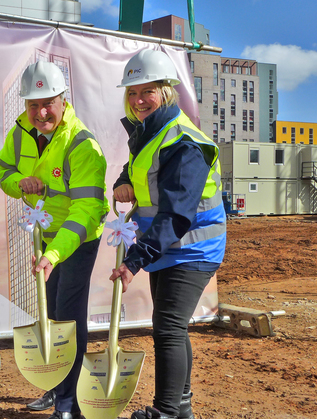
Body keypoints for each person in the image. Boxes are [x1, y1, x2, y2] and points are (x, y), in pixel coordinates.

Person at [108, 49, 226, 419]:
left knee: (168, 328)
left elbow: (176, 214)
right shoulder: (150, 132)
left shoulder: (184, 142)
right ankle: (183, 407)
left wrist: (133, 262)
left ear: (167, 91)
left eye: (148, 91)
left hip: (192, 248)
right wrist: (124, 180)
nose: (139, 100)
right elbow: (141, 171)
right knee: (170, 324)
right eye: (132, 92)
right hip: (165, 249)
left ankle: (166, 411)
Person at [0, 61, 109, 419]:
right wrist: (19, 183)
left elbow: (86, 211)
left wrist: (54, 254)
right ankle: (56, 387)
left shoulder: (82, 144)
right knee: (49, 312)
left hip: (76, 238)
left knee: (67, 316)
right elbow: (0, 170)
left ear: (63, 100)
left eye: (48, 103)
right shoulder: (20, 132)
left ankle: (69, 401)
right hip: (43, 234)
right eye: (33, 104)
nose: (41, 112)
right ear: (24, 105)